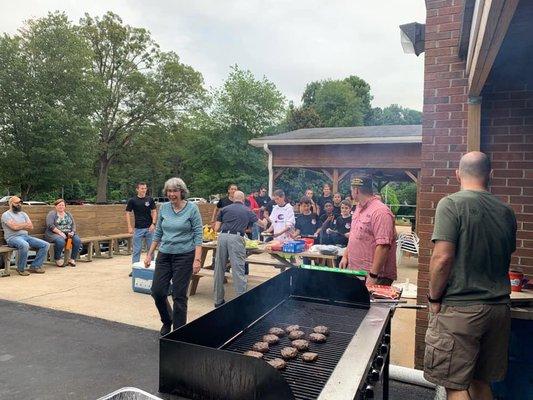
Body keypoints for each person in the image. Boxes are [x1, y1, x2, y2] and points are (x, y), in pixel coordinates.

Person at [423, 152, 517, 400]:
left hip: (461, 311)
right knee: (480, 380)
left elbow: (442, 259)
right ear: (490, 174)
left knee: (454, 385)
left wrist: (434, 298)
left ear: (457, 174)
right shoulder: (506, 211)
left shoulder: (451, 204)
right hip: (498, 310)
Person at [144, 178, 203, 336]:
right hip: (164, 254)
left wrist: (197, 260)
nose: (171, 194)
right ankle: (167, 320)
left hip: (185, 256)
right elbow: (158, 233)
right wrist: (149, 254)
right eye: (169, 191)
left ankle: (178, 333)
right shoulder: (163, 208)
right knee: (157, 291)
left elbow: (198, 235)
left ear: (181, 192)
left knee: (179, 295)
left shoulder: (192, 209)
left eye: (175, 191)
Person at [339, 177, 397, 285]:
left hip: (375, 277)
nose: (351, 193)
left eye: (352, 190)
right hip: (357, 272)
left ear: (356, 190)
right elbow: (353, 235)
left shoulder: (380, 212)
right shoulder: (358, 208)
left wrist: (373, 275)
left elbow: (383, 246)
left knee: (370, 302)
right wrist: (345, 256)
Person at [213, 191, 263, 307]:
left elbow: (216, 228)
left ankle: (218, 300)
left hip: (222, 237)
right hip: (236, 238)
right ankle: (242, 301)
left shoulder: (224, 209)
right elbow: (261, 224)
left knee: (219, 269)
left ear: (233, 198)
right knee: (238, 269)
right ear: (243, 199)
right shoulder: (247, 210)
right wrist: (265, 221)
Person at [1, 196, 49, 276]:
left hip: (25, 236)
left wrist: (19, 225)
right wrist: (24, 224)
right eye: (17, 203)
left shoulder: (23, 214)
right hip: (12, 238)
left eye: (20, 202)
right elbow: (14, 227)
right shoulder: (6, 215)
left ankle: (35, 266)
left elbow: (31, 226)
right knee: (24, 245)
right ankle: (21, 268)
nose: (19, 204)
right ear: (10, 203)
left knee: (45, 245)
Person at [125, 182, 157, 268]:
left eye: (145, 188)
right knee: (137, 250)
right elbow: (127, 213)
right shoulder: (132, 200)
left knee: (151, 249)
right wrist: (129, 226)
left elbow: (154, 211)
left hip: (149, 228)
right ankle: (135, 268)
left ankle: (151, 267)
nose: (144, 190)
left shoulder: (150, 199)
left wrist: (153, 224)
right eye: (142, 188)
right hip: (138, 228)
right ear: (137, 189)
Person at [45, 199, 82, 267]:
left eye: (63, 205)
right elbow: (50, 225)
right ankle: (58, 258)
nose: (61, 206)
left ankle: (72, 259)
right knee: (60, 241)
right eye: (59, 205)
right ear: (56, 206)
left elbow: (73, 224)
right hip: (54, 233)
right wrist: (60, 232)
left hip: (68, 233)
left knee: (77, 240)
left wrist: (73, 232)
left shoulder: (68, 214)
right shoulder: (52, 214)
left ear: (65, 206)